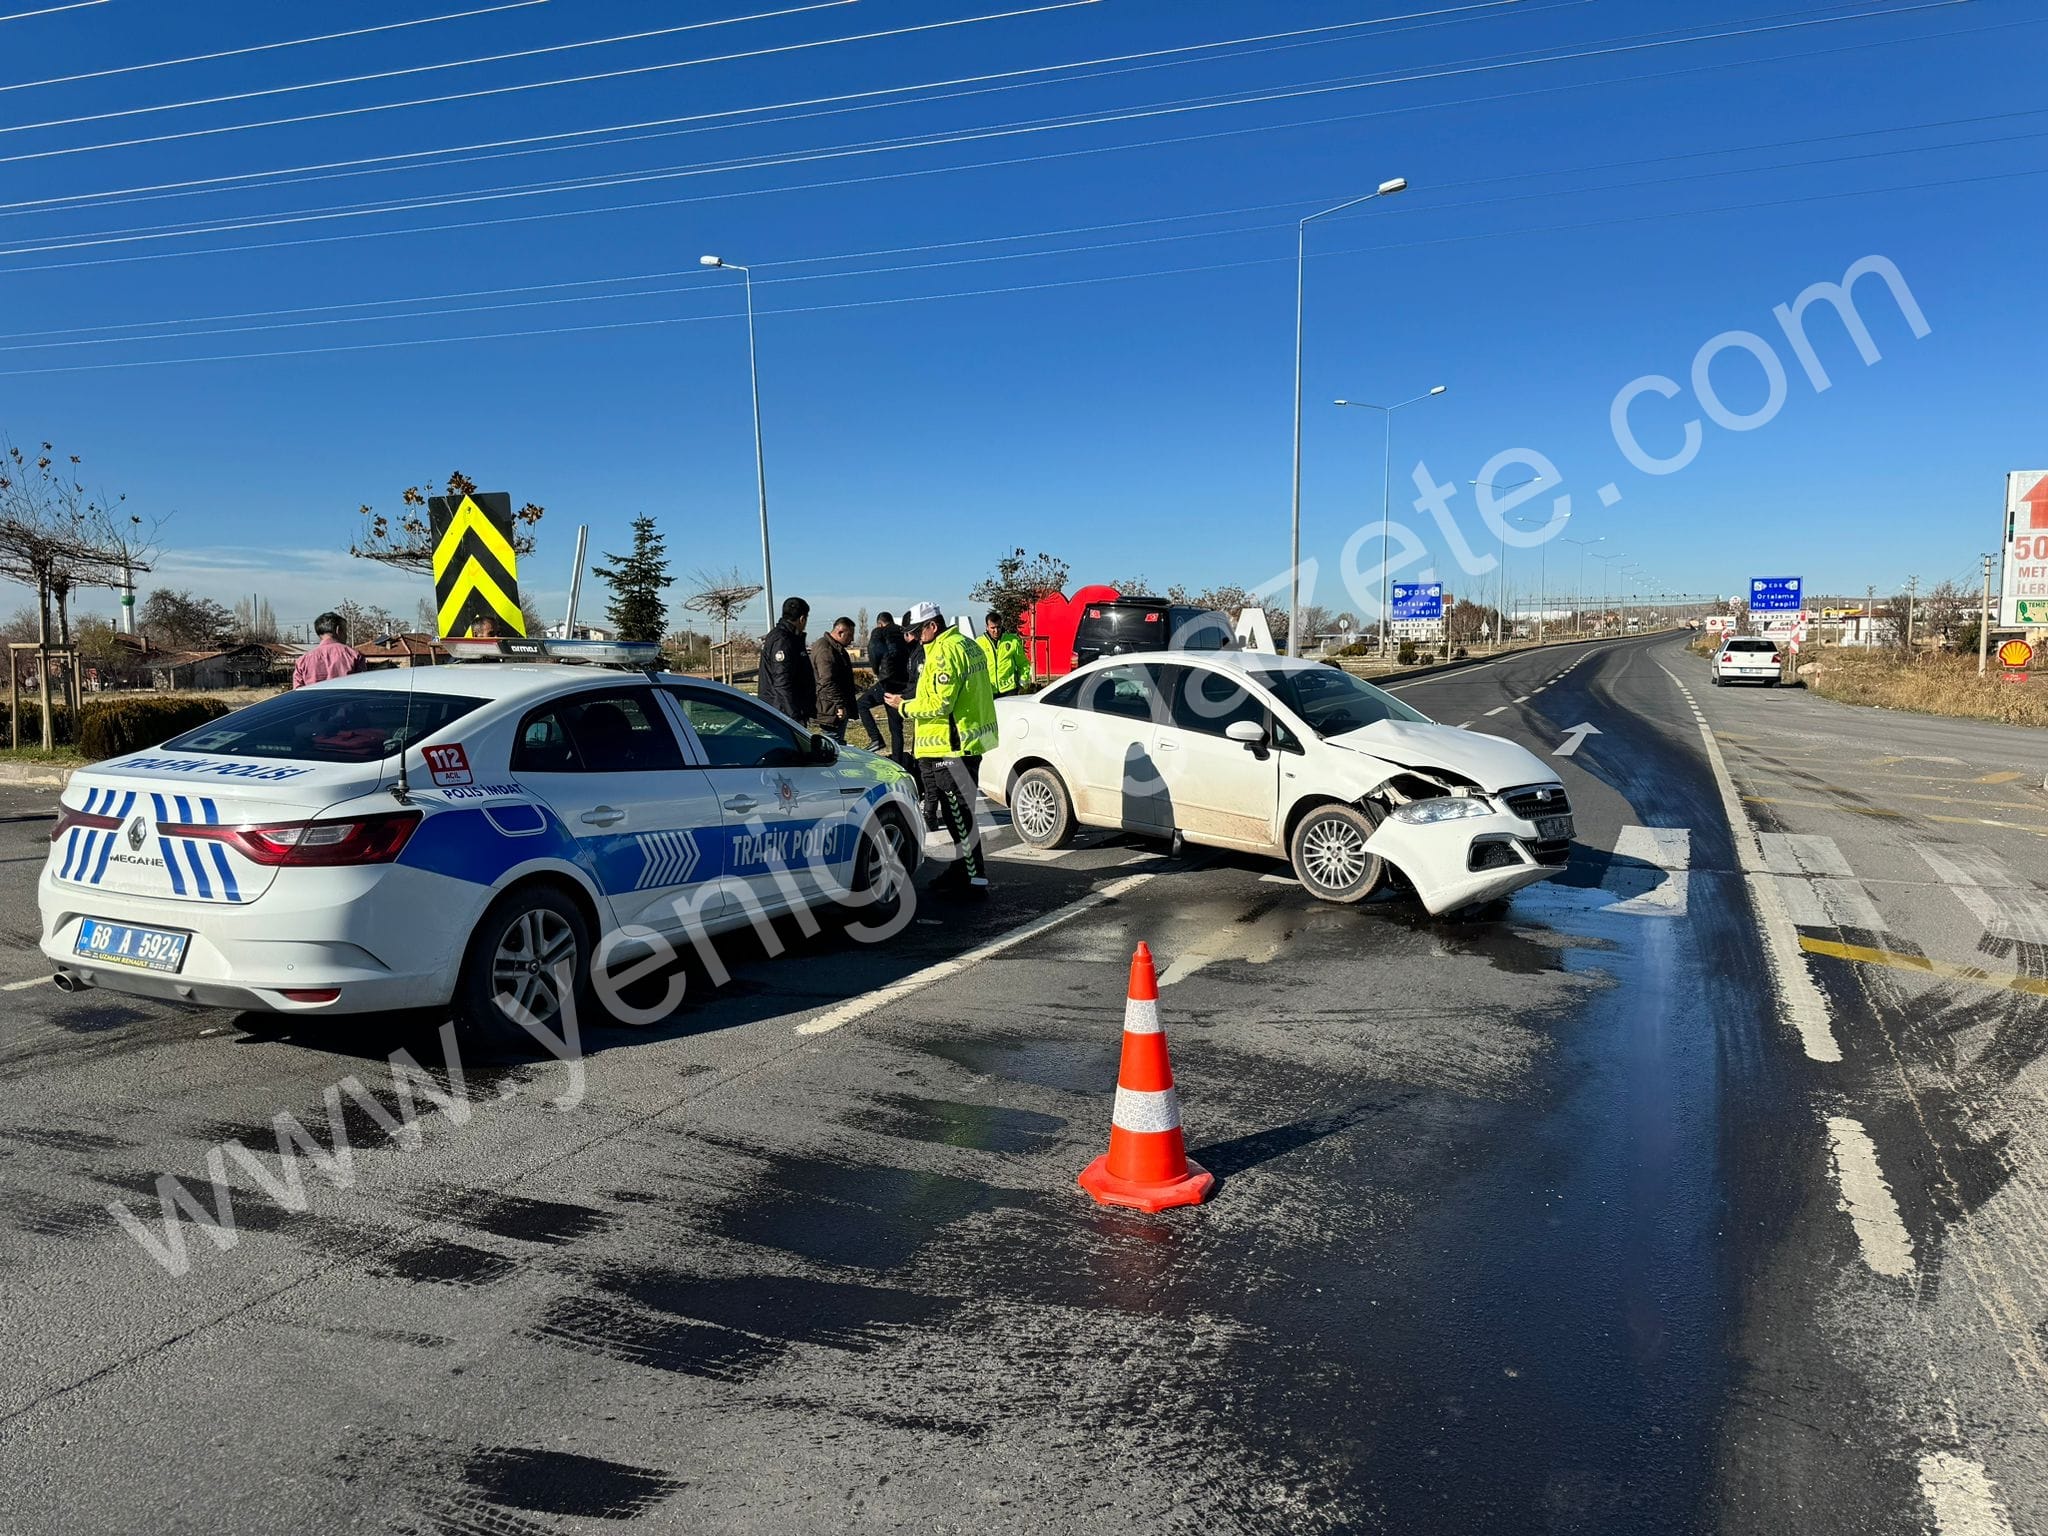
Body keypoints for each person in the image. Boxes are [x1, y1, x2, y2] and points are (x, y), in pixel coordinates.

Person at [887, 602, 998, 897]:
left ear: (932, 626)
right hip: (962, 741)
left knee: (958, 814)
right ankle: (962, 871)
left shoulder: (944, 653)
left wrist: (904, 706)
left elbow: (941, 704)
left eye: (916, 632)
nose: (913, 638)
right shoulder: (966, 644)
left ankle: (974, 880)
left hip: (952, 745)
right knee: (956, 814)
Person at [856, 610, 907, 759]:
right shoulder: (902, 631)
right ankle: (898, 760)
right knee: (896, 728)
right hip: (904, 683)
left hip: (887, 681)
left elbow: (873, 651)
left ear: (880, 623)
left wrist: (877, 670)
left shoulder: (879, 632)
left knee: (861, 704)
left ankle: (876, 738)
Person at [757, 597, 816, 725]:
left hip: (784, 710)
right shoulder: (783, 640)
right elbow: (782, 682)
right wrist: (794, 718)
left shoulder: (789, 638)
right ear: (802, 619)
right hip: (782, 713)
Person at [808, 616, 857, 744]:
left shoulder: (835, 648)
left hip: (832, 706)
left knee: (835, 741)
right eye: (850, 635)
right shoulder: (826, 650)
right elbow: (827, 681)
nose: (852, 639)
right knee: (832, 743)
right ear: (840, 632)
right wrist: (839, 705)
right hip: (830, 708)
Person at [291, 611, 367, 688]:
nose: (346, 635)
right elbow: (362, 687)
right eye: (345, 631)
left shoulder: (303, 661)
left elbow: (297, 692)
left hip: (314, 700)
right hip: (346, 699)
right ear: (338, 630)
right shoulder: (354, 655)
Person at [976, 610, 1033, 697]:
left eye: (998, 627)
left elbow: (1023, 663)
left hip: (1009, 689)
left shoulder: (1012, 641)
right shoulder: (979, 643)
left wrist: (1023, 680)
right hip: (988, 689)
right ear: (987, 627)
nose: (996, 630)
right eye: (992, 628)